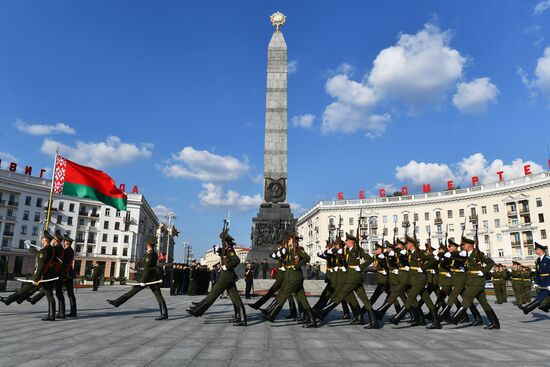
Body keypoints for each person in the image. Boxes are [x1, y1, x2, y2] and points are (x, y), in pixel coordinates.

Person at [187, 233, 246, 326]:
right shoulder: (226, 250)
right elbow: (224, 256)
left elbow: (236, 260)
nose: (222, 243)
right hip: (227, 277)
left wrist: (227, 266)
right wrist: (218, 251)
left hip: (226, 277)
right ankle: (240, 318)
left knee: (213, 294)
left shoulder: (230, 250)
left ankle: (198, 311)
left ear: (226, 242)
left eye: (223, 241)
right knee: (235, 298)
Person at [107, 235, 168, 320]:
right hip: (153, 277)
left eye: (147, 243)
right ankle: (117, 302)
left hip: (149, 278)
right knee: (156, 295)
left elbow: (147, 268)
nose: (146, 244)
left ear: (148, 244)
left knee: (136, 291)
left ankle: (117, 302)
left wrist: (143, 280)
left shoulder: (150, 254)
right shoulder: (151, 253)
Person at [0, 231, 57, 321]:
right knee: (49, 295)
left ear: (45, 240)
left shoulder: (45, 250)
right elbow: (39, 254)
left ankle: (7, 300)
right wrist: (30, 247)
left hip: (40, 276)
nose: (41, 240)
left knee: (23, 289)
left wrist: (36, 278)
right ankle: (52, 315)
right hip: (47, 276)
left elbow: (41, 265)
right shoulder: (50, 249)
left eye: (42, 238)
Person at [446, 236, 499, 329]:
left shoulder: (478, 254)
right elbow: (460, 258)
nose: (462, 246)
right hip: (471, 280)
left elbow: (491, 262)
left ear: (469, 245)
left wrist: (483, 271)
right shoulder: (466, 254)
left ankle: (455, 318)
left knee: (466, 296)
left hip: (477, 280)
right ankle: (495, 323)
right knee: (483, 302)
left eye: (464, 244)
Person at [519, 242, 550, 314]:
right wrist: (536, 283)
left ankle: (527, 309)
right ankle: (545, 307)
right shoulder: (538, 260)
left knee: (540, 297)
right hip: (543, 282)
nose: (535, 251)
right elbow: (538, 273)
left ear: (541, 250)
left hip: (548, 282)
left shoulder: (548, 259)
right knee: (540, 296)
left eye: (536, 249)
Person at [62, 234, 77, 317]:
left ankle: (72, 312)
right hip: (69, 273)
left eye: (64, 242)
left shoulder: (67, 251)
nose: (64, 243)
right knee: (70, 293)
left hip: (66, 274)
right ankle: (73, 311)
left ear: (67, 243)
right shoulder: (70, 250)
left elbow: (63, 262)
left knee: (69, 293)